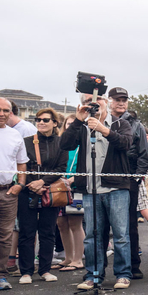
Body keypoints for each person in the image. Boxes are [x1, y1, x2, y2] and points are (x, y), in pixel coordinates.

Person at [59, 92, 135, 290]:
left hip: (116, 188)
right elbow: (65, 144)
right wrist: (77, 120)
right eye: (88, 102)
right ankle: (93, 275)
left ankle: (123, 274)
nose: (93, 104)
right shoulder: (82, 127)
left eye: (98, 100)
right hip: (90, 189)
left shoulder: (120, 124)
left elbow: (126, 143)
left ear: (106, 103)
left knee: (120, 234)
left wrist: (103, 129)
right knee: (93, 235)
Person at [16, 108, 68, 284]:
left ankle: (45, 269)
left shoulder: (62, 143)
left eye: (46, 120)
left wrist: (43, 182)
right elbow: (21, 166)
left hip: (50, 192)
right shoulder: (26, 142)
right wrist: (33, 184)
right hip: (27, 191)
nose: (41, 122)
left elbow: (61, 169)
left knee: (48, 232)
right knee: (27, 232)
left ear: (55, 123)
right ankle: (26, 271)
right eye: (38, 119)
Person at [106, 88, 148, 279]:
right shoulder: (102, 120)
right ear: (109, 101)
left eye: (124, 100)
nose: (121, 103)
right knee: (101, 225)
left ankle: (133, 264)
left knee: (130, 224)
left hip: (128, 178)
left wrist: (136, 177)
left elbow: (143, 154)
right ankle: (97, 269)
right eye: (117, 99)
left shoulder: (136, 124)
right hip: (104, 177)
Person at [0, 98, 29, 291]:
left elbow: (22, 163)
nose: (1, 113)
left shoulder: (15, 135)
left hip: (7, 191)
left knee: (3, 237)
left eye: (6, 110)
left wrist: (20, 185)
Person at [55, 114, 85, 273]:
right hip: (59, 187)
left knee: (75, 223)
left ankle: (78, 259)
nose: (71, 126)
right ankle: (67, 258)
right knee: (61, 223)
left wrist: (73, 179)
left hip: (75, 187)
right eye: (68, 124)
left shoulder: (82, 145)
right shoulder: (61, 143)